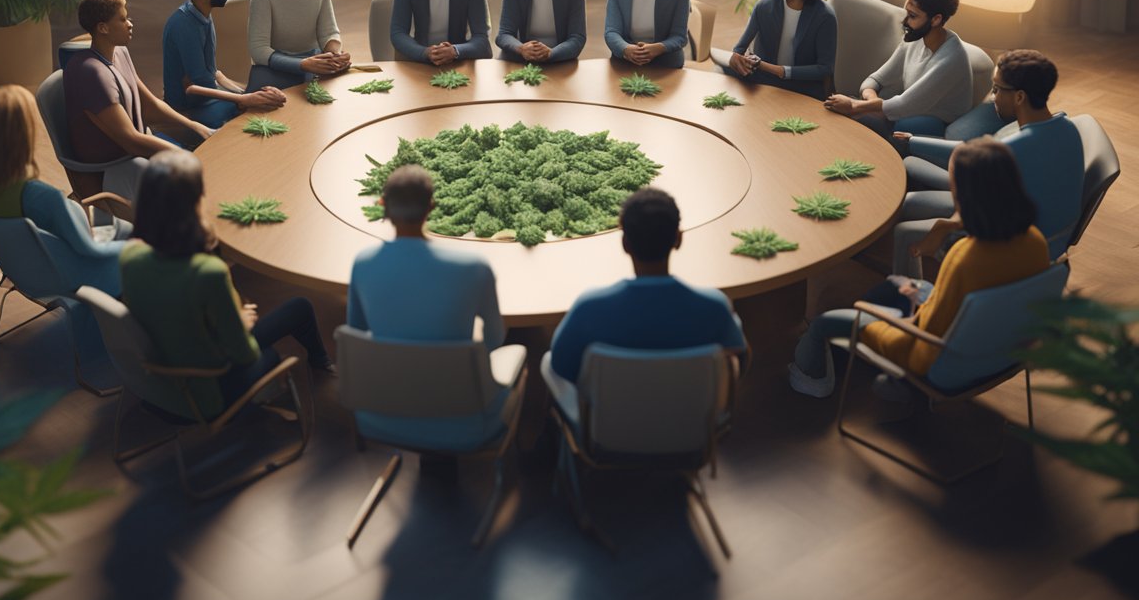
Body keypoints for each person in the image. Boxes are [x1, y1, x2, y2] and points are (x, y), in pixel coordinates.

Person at [788, 138, 1049, 399]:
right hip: (1004, 347)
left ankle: (814, 380)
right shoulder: (1035, 240)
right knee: (896, 285)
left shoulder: (965, 258)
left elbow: (927, 332)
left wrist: (900, 321)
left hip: (931, 357)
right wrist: (948, 226)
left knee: (822, 323)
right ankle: (859, 329)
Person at [120, 150, 333, 418]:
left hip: (158, 384)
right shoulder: (208, 273)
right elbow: (245, 354)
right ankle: (318, 365)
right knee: (297, 310)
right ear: (195, 204)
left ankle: (317, 364)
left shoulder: (130, 255)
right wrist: (242, 324)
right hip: (208, 391)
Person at [544, 187, 748, 421]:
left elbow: (561, 366)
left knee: (547, 363)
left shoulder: (588, 308)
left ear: (625, 243)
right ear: (679, 239)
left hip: (607, 434)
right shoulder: (715, 307)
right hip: (690, 433)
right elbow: (739, 359)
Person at [346, 165, 505, 450]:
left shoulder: (363, 264)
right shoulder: (473, 268)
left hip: (382, 412)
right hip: (465, 415)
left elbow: (356, 330)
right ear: (431, 206)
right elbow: (495, 339)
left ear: (382, 205)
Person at [891, 50, 1084, 276]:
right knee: (912, 173)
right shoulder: (1068, 127)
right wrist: (913, 142)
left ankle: (908, 301)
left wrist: (949, 225)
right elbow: (974, 153)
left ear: (1020, 97)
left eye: (996, 89)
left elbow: (969, 154)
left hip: (1015, 242)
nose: (992, 97)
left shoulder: (1014, 148)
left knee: (904, 228)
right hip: (1053, 233)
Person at [0, 84, 127, 297]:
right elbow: (89, 250)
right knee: (141, 244)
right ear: (25, 133)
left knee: (116, 225)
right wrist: (131, 248)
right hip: (79, 276)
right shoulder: (40, 197)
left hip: (28, 274)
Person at [64, 0, 214, 202]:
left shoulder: (120, 52)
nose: (130, 24)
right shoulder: (91, 73)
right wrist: (185, 159)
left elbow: (150, 105)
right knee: (190, 192)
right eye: (123, 19)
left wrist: (196, 127)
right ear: (103, 28)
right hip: (116, 167)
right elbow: (131, 141)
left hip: (137, 149)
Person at [824, 0, 974, 138]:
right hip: (904, 113)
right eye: (906, 13)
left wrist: (854, 107)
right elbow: (876, 79)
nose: (905, 22)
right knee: (847, 110)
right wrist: (868, 101)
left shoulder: (951, 59)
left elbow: (904, 104)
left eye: (913, 16)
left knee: (859, 117)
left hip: (931, 124)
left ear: (936, 19)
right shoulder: (915, 38)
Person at [162, 0, 286, 128]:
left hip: (208, 95)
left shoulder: (202, 13)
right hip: (191, 107)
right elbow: (195, 85)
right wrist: (243, 99)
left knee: (268, 97)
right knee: (258, 110)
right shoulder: (183, 25)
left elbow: (212, 73)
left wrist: (246, 92)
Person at [715, 0, 837, 100]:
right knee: (719, 71)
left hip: (802, 88)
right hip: (764, 80)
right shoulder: (764, 6)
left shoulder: (824, 16)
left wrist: (780, 71)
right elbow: (739, 48)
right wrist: (737, 59)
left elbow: (824, 69)